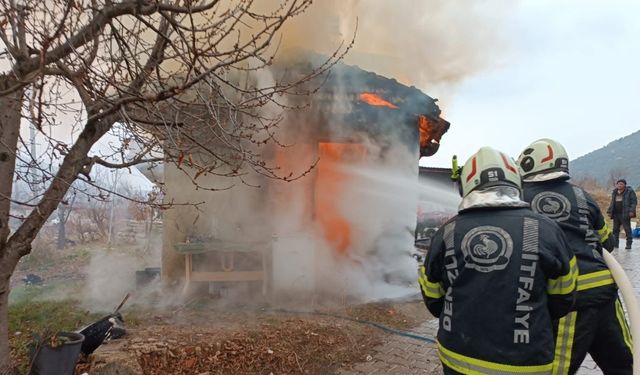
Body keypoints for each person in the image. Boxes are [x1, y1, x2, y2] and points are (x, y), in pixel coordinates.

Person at [419, 146, 577, 375]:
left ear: (465, 185)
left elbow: (433, 297)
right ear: (516, 181)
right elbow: (564, 297)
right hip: (527, 361)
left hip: (458, 358)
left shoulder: (447, 231)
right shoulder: (547, 229)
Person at [517, 138, 632, 375]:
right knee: (624, 365)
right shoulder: (582, 195)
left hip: (570, 298)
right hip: (606, 293)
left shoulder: (521, 199)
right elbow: (607, 242)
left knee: (558, 369)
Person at [607, 178, 637, 250]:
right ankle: (615, 244)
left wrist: (631, 211)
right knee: (615, 230)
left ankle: (628, 245)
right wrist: (609, 211)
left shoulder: (630, 192)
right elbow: (612, 203)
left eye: (621, 184)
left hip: (625, 213)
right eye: (618, 184)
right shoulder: (615, 192)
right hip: (616, 214)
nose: (619, 185)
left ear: (625, 185)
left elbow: (634, 202)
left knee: (627, 229)